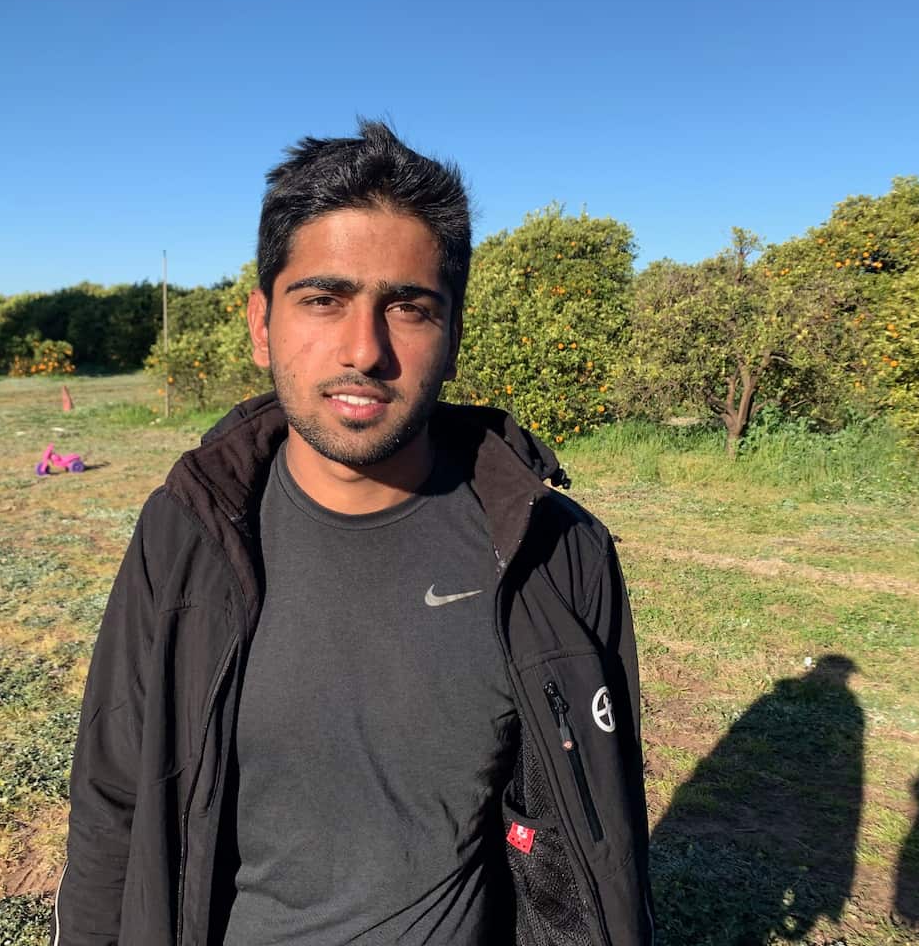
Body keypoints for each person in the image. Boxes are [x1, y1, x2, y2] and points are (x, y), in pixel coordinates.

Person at [52, 121, 653, 945]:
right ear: (261, 323)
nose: (364, 350)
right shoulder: (185, 533)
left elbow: (600, 837)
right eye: (323, 299)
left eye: (408, 307)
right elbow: (114, 803)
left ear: (454, 334)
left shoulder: (556, 553)